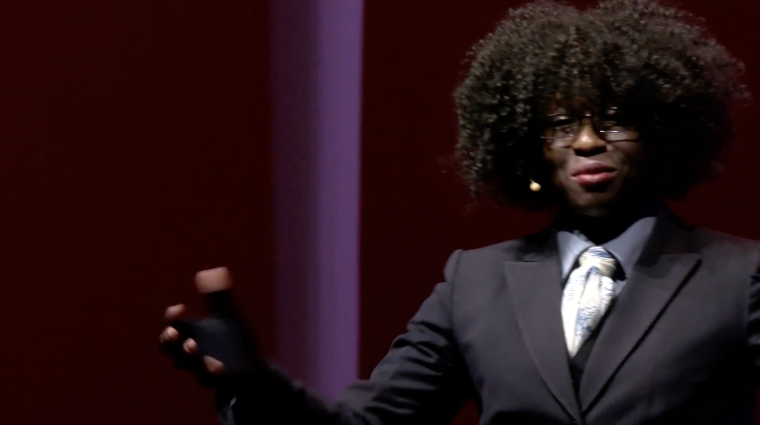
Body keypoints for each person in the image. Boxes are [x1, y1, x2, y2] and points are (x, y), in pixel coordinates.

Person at [159, 0, 760, 423]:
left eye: (614, 119)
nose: (585, 141)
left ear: (665, 130)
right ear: (529, 145)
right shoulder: (473, 283)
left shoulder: (740, 276)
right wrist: (253, 383)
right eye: (560, 124)